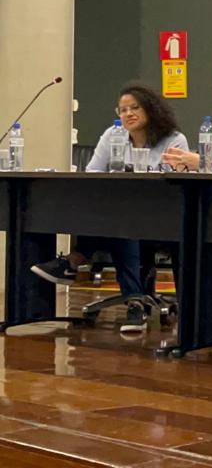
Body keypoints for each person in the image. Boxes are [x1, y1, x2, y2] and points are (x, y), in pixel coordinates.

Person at [31, 84, 189, 333]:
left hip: (161, 219)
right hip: (120, 217)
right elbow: (93, 174)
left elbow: (178, 185)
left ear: (151, 109)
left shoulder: (173, 140)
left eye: (135, 108)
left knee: (122, 222)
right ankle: (135, 301)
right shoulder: (112, 136)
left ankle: (73, 261)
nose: (128, 114)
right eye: (122, 110)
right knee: (119, 221)